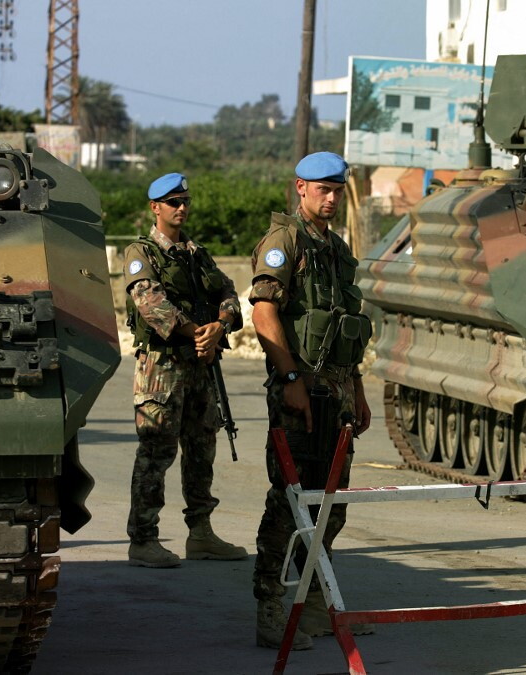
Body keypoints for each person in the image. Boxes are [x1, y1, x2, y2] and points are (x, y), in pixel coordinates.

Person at [249, 151, 373, 650]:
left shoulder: (335, 248)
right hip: (300, 395)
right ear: (300, 187)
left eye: (338, 189)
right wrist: (292, 377)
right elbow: (263, 314)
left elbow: (344, 327)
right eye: (323, 188)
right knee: (288, 503)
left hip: (337, 393)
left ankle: (316, 605)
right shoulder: (285, 242)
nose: (332, 197)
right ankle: (270, 610)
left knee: (331, 507)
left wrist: (357, 388)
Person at [123, 172, 247, 568]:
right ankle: (143, 540)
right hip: (162, 366)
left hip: (200, 366)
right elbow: (151, 305)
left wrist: (220, 326)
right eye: (173, 202)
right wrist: (199, 333)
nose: (181, 208)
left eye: (185, 201)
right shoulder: (140, 252)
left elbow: (230, 294)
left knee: (201, 450)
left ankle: (201, 534)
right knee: (156, 452)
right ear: (155, 207)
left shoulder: (198, 255)